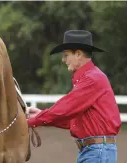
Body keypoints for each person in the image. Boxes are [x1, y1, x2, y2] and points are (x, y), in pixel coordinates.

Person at [27, 30, 121, 163]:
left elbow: (64, 109)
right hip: (96, 151)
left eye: (66, 55)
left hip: (96, 152)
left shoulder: (91, 79)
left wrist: (29, 121)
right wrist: (40, 115)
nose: (63, 60)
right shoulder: (92, 77)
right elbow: (72, 120)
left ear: (78, 54)